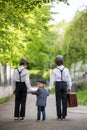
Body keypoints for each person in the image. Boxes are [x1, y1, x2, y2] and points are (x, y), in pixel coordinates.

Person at [49, 55, 72, 120]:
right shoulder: (66, 69)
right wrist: (69, 87)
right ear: (62, 62)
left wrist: (50, 88)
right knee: (64, 100)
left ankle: (59, 116)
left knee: (58, 100)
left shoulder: (54, 70)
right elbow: (69, 79)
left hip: (58, 85)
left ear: (56, 62)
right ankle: (64, 116)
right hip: (64, 84)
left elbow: (52, 80)